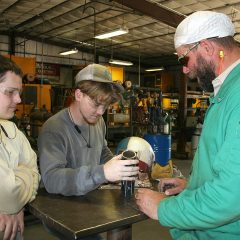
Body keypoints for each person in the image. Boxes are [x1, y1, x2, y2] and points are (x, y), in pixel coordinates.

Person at [135, 10, 240, 240]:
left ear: (207, 48)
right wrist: (192, 185)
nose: (184, 69)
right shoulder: (225, 91)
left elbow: (233, 196)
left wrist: (163, 208)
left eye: (184, 58)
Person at [38, 63, 139, 196]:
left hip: (90, 203)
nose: (100, 112)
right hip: (60, 208)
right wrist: (102, 173)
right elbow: (52, 180)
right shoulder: (54, 128)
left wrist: (120, 168)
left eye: (105, 106)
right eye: (96, 104)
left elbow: (101, 151)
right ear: (79, 95)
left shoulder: (98, 121)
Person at [0, 55, 40, 240]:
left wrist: (14, 205)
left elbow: (35, 170)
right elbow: (9, 191)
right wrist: (24, 174)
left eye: (19, 92)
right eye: (10, 92)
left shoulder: (10, 128)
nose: (18, 99)